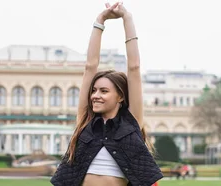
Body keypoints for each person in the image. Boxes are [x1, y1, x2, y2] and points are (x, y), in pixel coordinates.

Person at [50, 2, 163, 186]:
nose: (95, 95)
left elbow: (134, 67)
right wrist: (100, 21)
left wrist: (127, 18)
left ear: (121, 97)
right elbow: (90, 67)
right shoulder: (86, 120)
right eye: (94, 90)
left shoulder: (131, 122)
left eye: (104, 91)